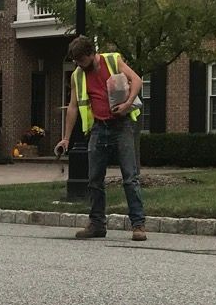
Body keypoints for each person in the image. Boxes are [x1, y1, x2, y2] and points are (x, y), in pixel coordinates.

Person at [55, 35, 147, 241]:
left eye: (81, 60)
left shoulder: (112, 60)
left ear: (91, 54)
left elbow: (137, 80)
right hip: (98, 128)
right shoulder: (78, 76)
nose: (78, 65)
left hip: (121, 126)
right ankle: (97, 224)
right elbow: (72, 107)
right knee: (94, 179)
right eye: (75, 61)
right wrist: (66, 138)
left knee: (130, 178)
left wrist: (127, 105)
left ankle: (138, 225)